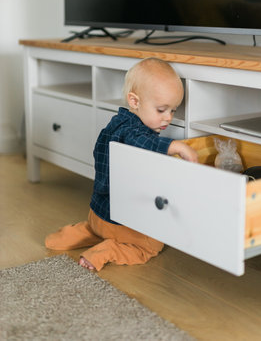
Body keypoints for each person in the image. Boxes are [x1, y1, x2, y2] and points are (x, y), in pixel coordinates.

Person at [45, 57, 198, 271]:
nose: (168, 118)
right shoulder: (135, 133)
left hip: (97, 212)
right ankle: (105, 251)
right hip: (121, 222)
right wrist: (177, 146)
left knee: (94, 229)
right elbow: (142, 142)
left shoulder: (117, 122)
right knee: (150, 246)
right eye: (161, 110)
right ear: (134, 101)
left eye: (173, 110)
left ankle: (72, 235)